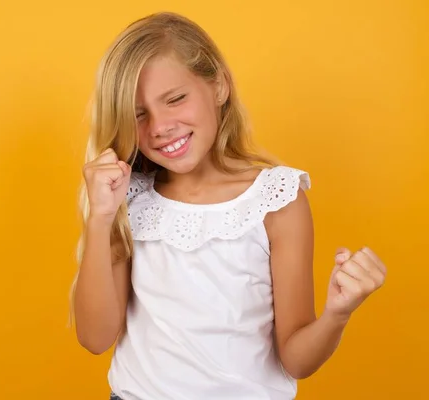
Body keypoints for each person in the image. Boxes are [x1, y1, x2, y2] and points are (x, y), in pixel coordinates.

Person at [69, 11, 387, 400]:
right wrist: (100, 220)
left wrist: (338, 312)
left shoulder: (276, 199)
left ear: (218, 85)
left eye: (175, 99)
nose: (159, 126)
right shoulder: (127, 198)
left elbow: (297, 360)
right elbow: (95, 338)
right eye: (138, 115)